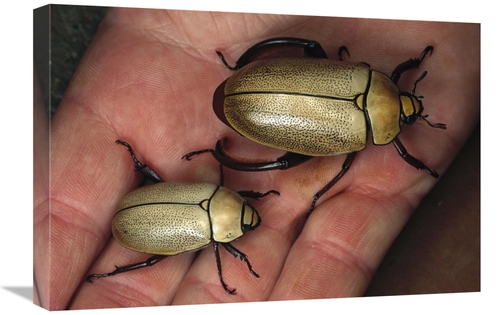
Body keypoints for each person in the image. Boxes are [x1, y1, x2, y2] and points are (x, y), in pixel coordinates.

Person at [33, 8, 479, 309]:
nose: (408, 105)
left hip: (268, 97)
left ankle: (237, 77)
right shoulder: (374, 135)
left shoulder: (372, 77)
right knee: (282, 163)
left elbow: (340, 55)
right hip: (266, 114)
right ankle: (240, 113)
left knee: (297, 78)